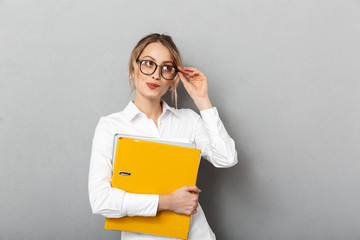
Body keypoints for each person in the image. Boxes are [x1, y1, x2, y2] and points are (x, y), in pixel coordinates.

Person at [88, 33, 238, 240]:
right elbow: (101, 200)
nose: (156, 75)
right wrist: (167, 202)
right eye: (148, 64)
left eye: (166, 68)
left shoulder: (189, 120)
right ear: (133, 69)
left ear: (173, 79)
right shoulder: (111, 126)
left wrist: (202, 100)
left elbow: (226, 158)